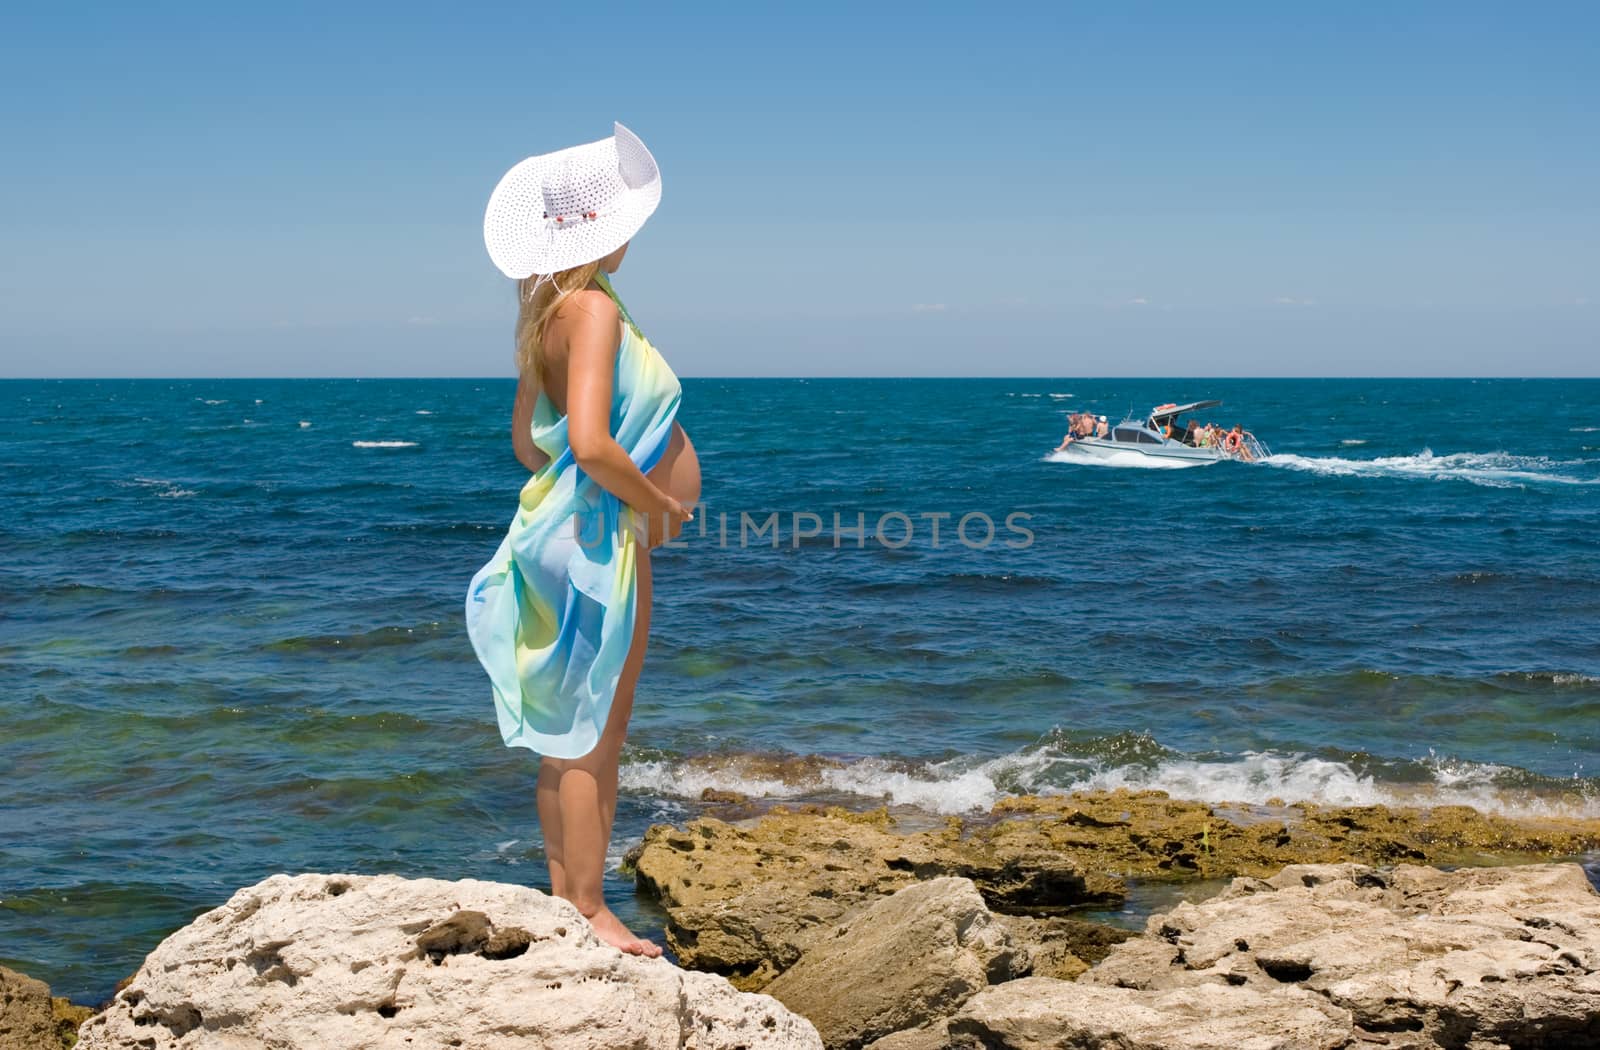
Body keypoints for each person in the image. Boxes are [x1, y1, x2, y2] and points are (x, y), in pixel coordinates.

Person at [466, 122, 699, 958]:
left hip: (557, 530)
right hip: (601, 535)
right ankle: (593, 911)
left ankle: (567, 900)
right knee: (599, 734)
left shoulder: (546, 312)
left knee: (567, 732)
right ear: (605, 231)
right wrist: (654, 508)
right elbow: (593, 444)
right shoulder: (595, 308)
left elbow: (531, 446)